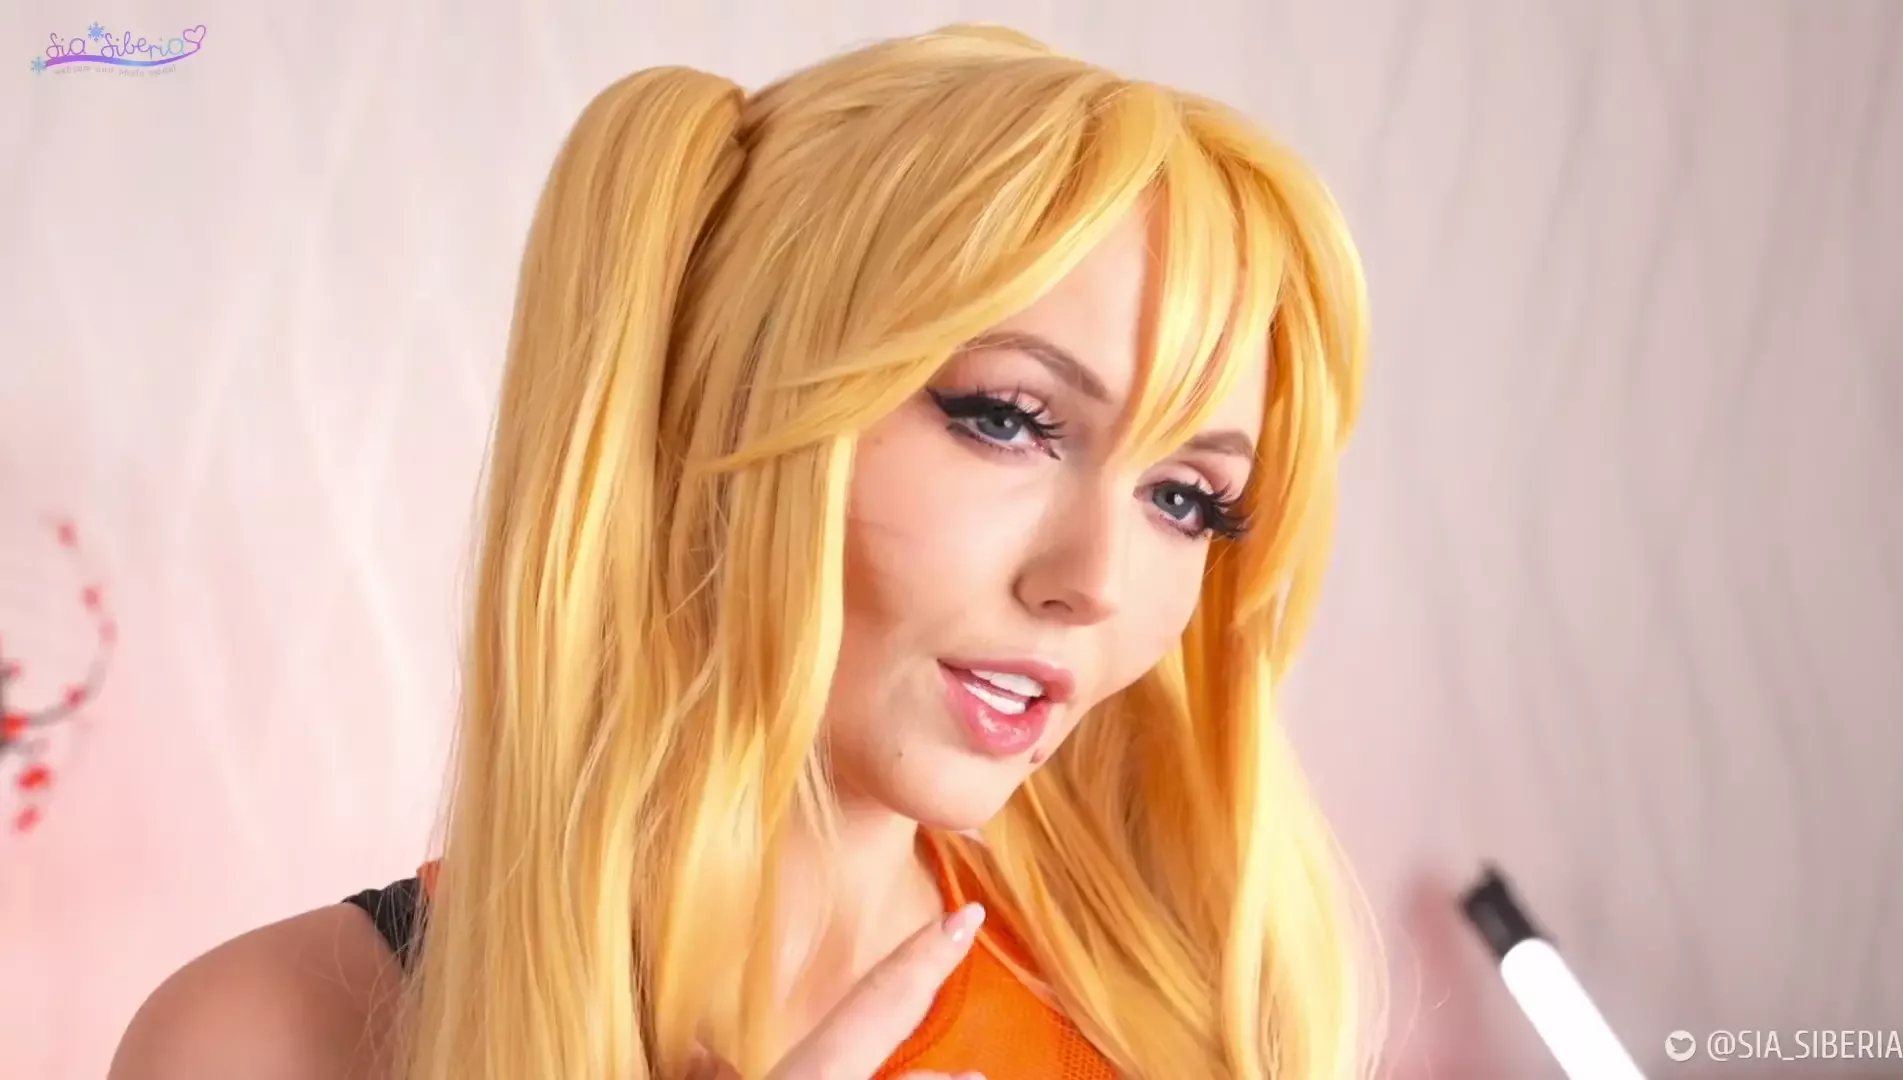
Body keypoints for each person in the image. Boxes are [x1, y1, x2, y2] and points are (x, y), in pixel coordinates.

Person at [108, 23, 1379, 1080]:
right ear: (722, 404)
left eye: (1187, 500)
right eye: (1008, 420)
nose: (1095, 583)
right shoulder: (267, 1040)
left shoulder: (1172, 1046)